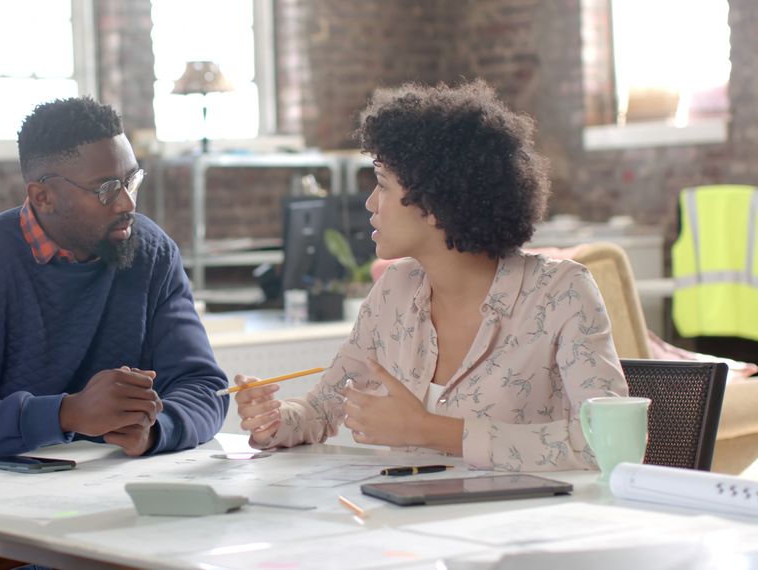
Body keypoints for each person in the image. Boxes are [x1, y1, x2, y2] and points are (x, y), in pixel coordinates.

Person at [235, 80, 627, 471]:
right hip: (409, 520)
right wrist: (273, 419)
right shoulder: (395, 291)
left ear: (437, 203)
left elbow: (607, 443)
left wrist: (428, 430)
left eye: (383, 185)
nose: (370, 203)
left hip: (523, 525)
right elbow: (320, 410)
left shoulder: (561, 292)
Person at [0, 97, 228, 460]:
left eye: (132, 180)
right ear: (43, 197)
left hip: (117, 486)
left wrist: (157, 429)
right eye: (107, 189)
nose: (127, 203)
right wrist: (67, 414)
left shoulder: (153, 254)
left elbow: (204, 387)